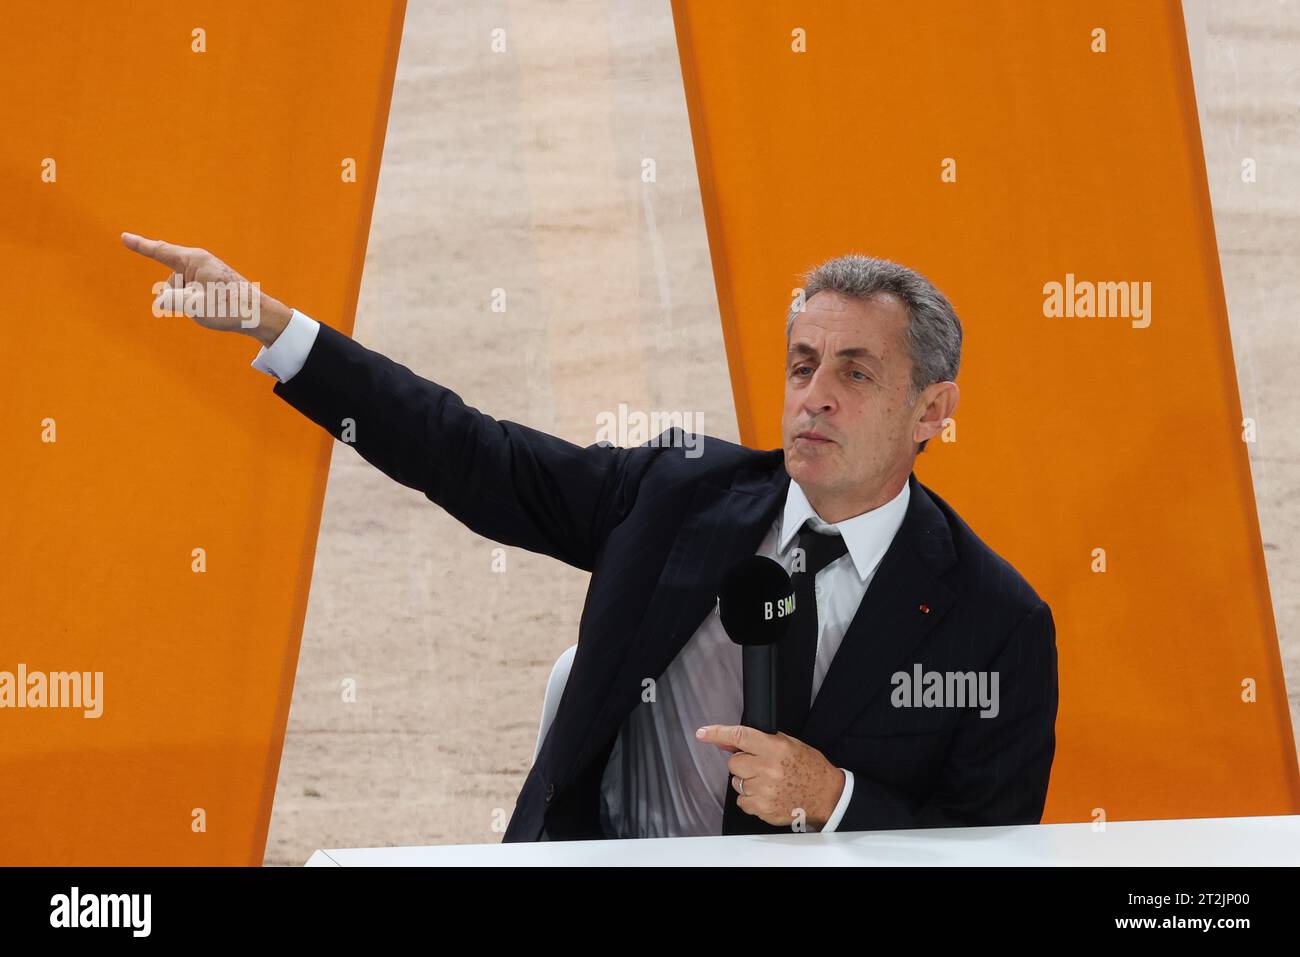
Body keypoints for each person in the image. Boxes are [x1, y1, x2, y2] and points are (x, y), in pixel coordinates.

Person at [121, 232, 1058, 841]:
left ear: (934, 408)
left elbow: (991, 849)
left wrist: (833, 797)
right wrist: (279, 329)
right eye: (803, 363)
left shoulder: (996, 622)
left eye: (854, 372)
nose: (813, 395)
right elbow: (475, 455)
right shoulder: (677, 494)